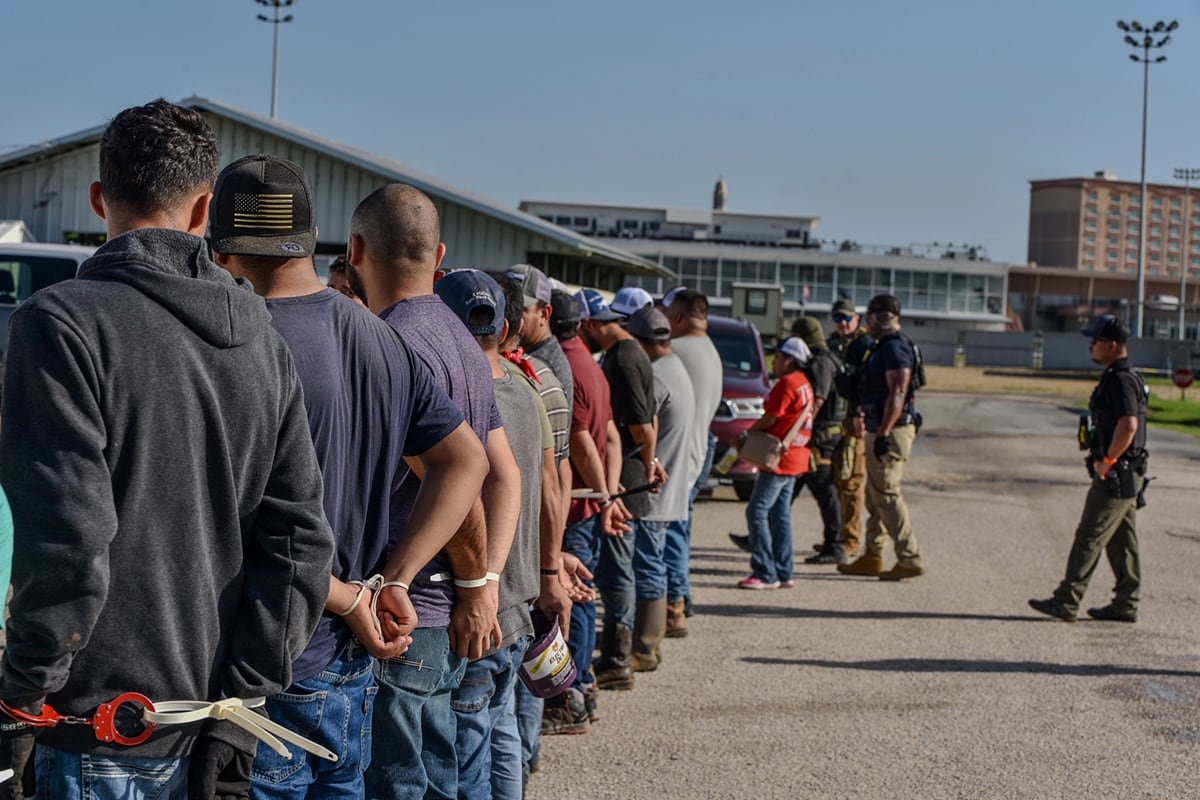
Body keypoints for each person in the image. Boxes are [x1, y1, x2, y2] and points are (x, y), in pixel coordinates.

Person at [0, 100, 334, 798]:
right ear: (203, 207)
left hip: (95, 732)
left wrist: (22, 696)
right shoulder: (263, 346)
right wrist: (243, 710)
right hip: (212, 730)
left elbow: (67, 541)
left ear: (99, 197)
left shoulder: (59, 326)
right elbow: (300, 544)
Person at [210, 154, 488, 797]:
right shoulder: (379, 337)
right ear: (316, 238)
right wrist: (396, 578)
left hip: (267, 660)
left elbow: (242, 519)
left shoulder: (237, 342)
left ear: (221, 246)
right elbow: (465, 461)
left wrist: (355, 595)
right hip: (347, 661)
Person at [348, 183, 522, 800]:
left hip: (409, 610)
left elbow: (459, 477)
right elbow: (506, 474)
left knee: (399, 783)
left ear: (355, 249)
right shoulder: (462, 341)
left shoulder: (391, 343)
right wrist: (488, 580)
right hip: (438, 610)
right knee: (441, 777)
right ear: (439, 254)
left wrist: (475, 585)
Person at [436, 269, 566, 800]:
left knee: (465, 747)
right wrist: (551, 568)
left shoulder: (454, 399)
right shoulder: (527, 390)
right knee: (501, 729)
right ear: (506, 325)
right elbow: (551, 489)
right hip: (517, 602)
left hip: (475, 604)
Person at [540, 288, 624, 735]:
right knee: (583, 598)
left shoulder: (567, 367)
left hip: (574, 506)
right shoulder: (592, 364)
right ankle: (583, 689)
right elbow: (611, 435)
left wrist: (605, 496)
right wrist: (608, 492)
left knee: (572, 601)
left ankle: (570, 697)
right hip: (589, 499)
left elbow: (585, 441)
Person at [1029, 314, 1148, 623]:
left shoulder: (1121, 379)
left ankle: (1066, 600)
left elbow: (1129, 425)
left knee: (1090, 535)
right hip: (1126, 471)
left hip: (1116, 473)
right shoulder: (1123, 375)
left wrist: (1107, 460)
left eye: (1095, 340)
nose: (1091, 345)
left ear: (1111, 345)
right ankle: (1126, 604)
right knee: (1123, 540)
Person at [577, 288, 667, 689]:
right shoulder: (627, 353)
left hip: (625, 477)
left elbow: (643, 425)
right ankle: (618, 651)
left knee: (617, 570)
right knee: (618, 567)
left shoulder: (627, 358)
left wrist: (648, 462)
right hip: (627, 472)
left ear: (594, 325)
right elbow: (654, 412)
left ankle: (619, 656)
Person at [626, 306, 695, 671]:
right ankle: (651, 641)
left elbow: (641, 425)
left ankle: (645, 648)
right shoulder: (678, 368)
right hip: (672, 487)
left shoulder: (657, 376)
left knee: (649, 565)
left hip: (654, 491)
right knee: (658, 563)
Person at [837, 294, 924, 581]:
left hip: (892, 429)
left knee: (886, 493)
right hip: (880, 426)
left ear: (882, 316)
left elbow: (898, 391)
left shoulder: (895, 348)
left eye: (872, 316)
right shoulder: (881, 347)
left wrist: (885, 431)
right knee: (875, 495)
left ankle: (909, 557)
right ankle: (873, 555)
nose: (869, 322)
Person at [660, 288, 723, 635]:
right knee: (680, 530)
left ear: (678, 318)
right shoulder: (712, 351)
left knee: (671, 533)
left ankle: (673, 607)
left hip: (681, 457)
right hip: (701, 450)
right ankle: (681, 597)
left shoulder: (678, 351)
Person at [736, 337, 814, 590]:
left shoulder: (788, 383)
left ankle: (765, 571)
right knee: (780, 515)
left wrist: (749, 433)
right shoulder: (805, 383)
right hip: (796, 455)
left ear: (789, 360)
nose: (774, 361)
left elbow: (771, 416)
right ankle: (784, 570)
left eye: (778, 357)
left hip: (778, 458)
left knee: (756, 511)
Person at [791, 316, 846, 564]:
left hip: (821, 437)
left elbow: (818, 400)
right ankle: (761, 535)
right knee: (790, 485)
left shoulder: (821, 362)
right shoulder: (827, 357)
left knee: (823, 489)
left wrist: (799, 429)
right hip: (820, 435)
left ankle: (835, 545)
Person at [827, 298, 872, 558]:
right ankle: (838, 536)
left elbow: (867, 383)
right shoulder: (833, 344)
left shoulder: (864, 345)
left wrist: (860, 414)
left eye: (847, 318)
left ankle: (852, 539)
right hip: (834, 420)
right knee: (835, 481)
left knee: (852, 481)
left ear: (857, 318)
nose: (843, 323)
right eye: (837, 318)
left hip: (854, 420)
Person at [507, 264, 574, 419]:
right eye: (505, 306)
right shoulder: (524, 352)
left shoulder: (542, 365)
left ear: (545, 313)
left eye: (520, 309)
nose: (510, 315)